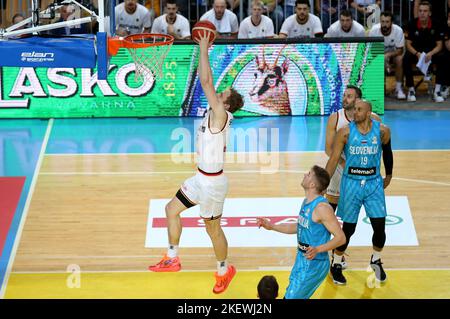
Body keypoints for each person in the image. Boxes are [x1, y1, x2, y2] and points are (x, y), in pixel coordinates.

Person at [148, 31, 244, 295]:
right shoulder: (215, 113)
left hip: (212, 184)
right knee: (171, 209)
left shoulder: (221, 113)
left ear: (226, 102)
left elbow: (205, 81)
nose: (218, 91)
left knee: (213, 230)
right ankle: (172, 257)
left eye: (222, 93)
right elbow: (209, 84)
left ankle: (225, 271)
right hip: (200, 178)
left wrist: (203, 47)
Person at [325, 99, 393, 286]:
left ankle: (376, 260)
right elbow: (333, 160)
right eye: (354, 109)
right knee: (349, 228)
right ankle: (336, 264)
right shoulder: (345, 132)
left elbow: (388, 153)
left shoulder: (382, 130)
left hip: (373, 182)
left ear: (369, 112)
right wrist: (323, 182)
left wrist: (389, 175)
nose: (355, 112)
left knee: (379, 226)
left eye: (359, 109)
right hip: (351, 183)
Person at [257, 165, 346, 299]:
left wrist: (318, 249)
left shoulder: (322, 207)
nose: (305, 174)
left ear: (312, 184)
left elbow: (341, 238)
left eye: (309, 174)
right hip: (302, 259)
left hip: (314, 264)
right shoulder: (306, 202)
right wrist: (272, 226)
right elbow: (299, 226)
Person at [403, 1, 446, 103]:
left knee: (443, 58)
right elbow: (408, 44)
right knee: (406, 58)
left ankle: (437, 91)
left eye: (425, 11)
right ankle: (411, 90)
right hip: (416, 52)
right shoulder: (412, 24)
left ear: (430, 13)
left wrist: (431, 53)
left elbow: (439, 45)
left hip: (431, 53)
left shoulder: (436, 24)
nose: (422, 13)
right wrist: (416, 54)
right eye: (420, 11)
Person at [369, 11, 406, 100]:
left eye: (387, 22)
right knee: (377, 62)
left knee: (399, 60)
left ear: (391, 23)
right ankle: (380, 89)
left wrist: (388, 55)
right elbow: (371, 50)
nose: (384, 24)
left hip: (394, 54)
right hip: (378, 53)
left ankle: (398, 88)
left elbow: (400, 50)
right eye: (382, 22)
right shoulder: (374, 31)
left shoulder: (398, 30)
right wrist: (383, 59)